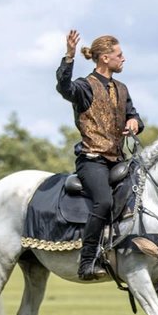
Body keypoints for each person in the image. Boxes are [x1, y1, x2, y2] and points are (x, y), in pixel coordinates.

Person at [55, 30, 143, 280]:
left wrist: (135, 122)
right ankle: (87, 262)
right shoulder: (84, 87)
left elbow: (133, 114)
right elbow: (64, 87)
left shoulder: (122, 88)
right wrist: (69, 57)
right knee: (103, 202)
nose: (123, 58)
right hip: (91, 160)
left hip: (118, 160)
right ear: (105, 58)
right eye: (119, 54)